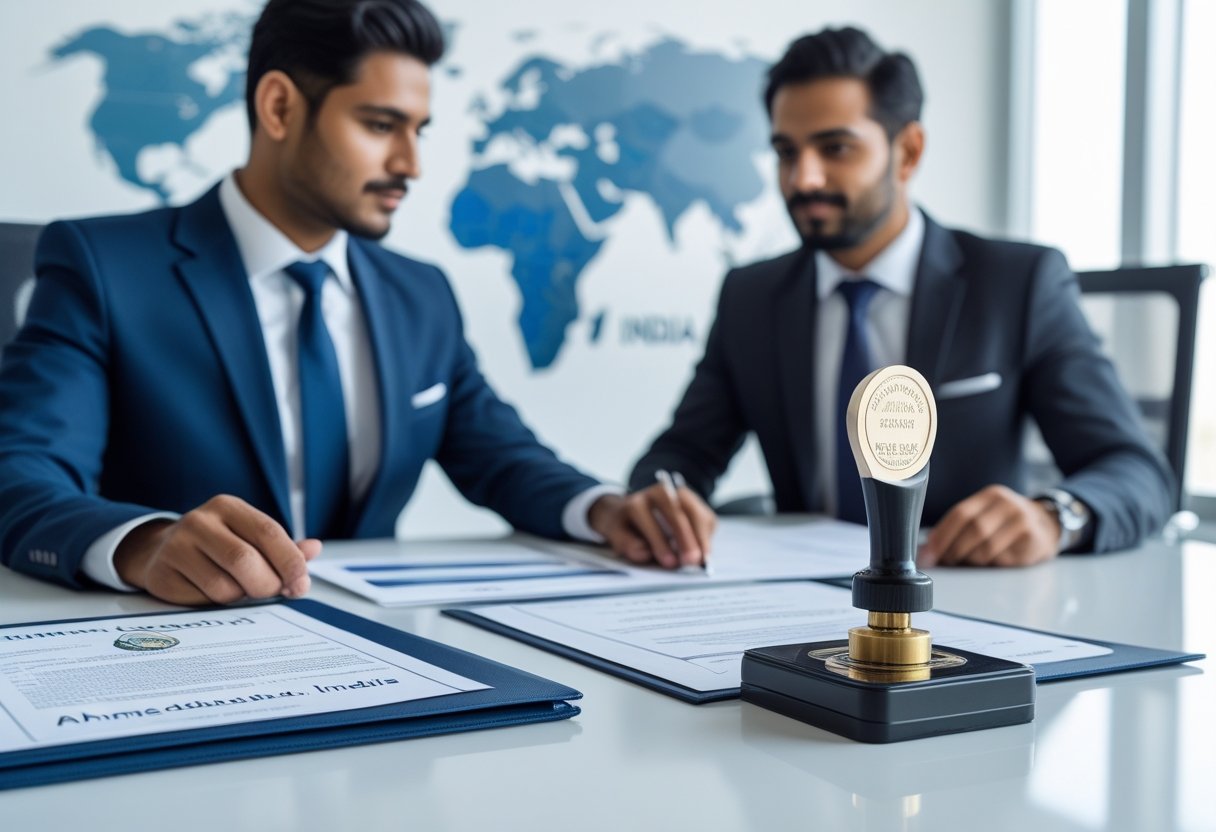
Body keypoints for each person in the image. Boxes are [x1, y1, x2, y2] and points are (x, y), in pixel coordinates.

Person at [0, 0, 714, 606]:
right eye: (380, 126)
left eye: (418, 130)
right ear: (279, 106)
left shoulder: (419, 293)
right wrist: (145, 544)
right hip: (175, 661)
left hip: (380, 666)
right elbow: (22, 475)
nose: (411, 164)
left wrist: (606, 510)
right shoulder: (105, 267)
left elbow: (501, 457)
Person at [629, 26, 1172, 567]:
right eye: (785, 152)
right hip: (800, 601)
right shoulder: (752, 296)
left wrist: (1056, 516)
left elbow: (1137, 471)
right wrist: (662, 496)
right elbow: (682, 454)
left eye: (835, 148)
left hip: (970, 598)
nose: (803, 178)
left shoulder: (1017, 282)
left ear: (908, 151)